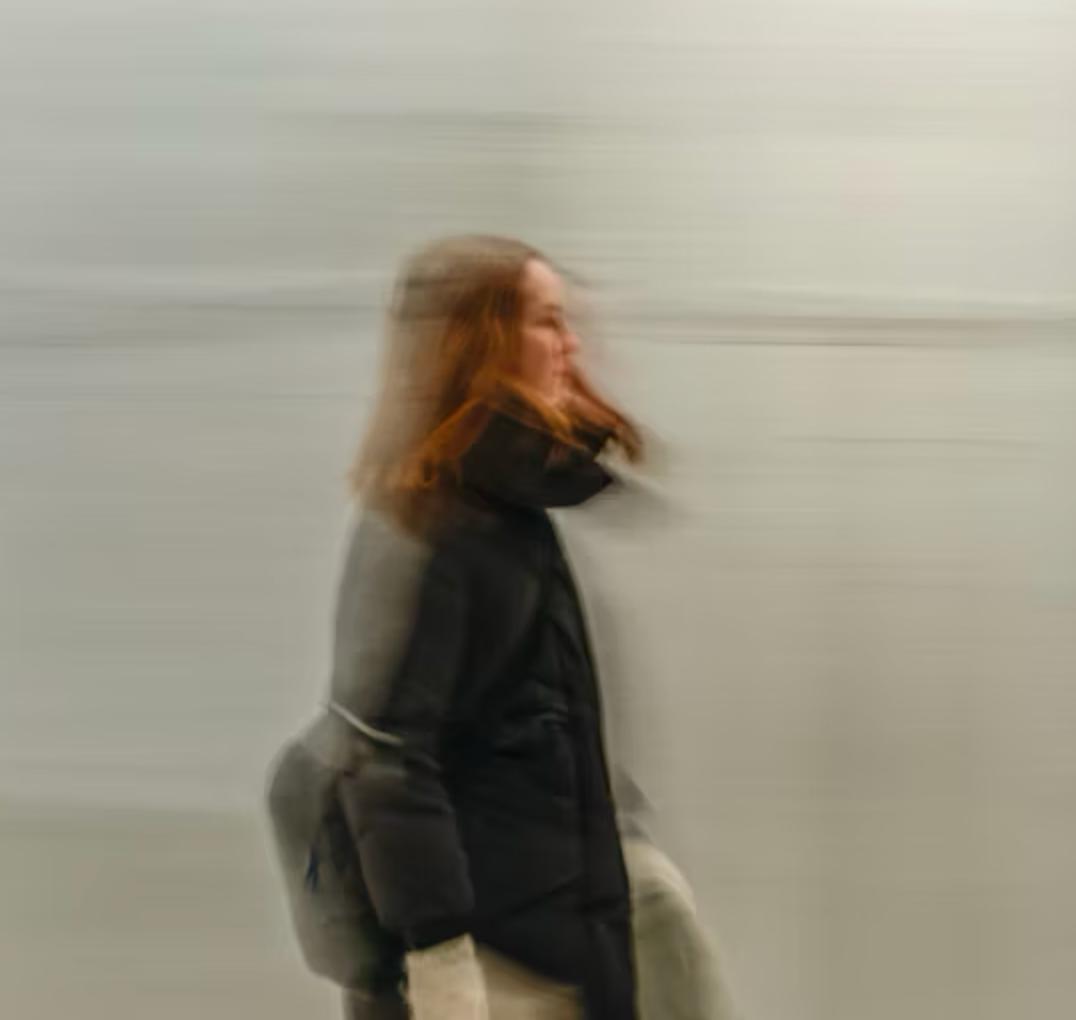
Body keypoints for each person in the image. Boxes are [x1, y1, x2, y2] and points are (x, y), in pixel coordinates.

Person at [331, 236, 643, 1020]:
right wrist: (438, 961)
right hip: (500, 976)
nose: (570, 345)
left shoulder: (505, 513)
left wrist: (633, 860)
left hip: (547, 948)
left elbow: (534, 729)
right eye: (546, 322)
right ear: (482, 347)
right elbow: (387, 761)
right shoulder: (441, 531)